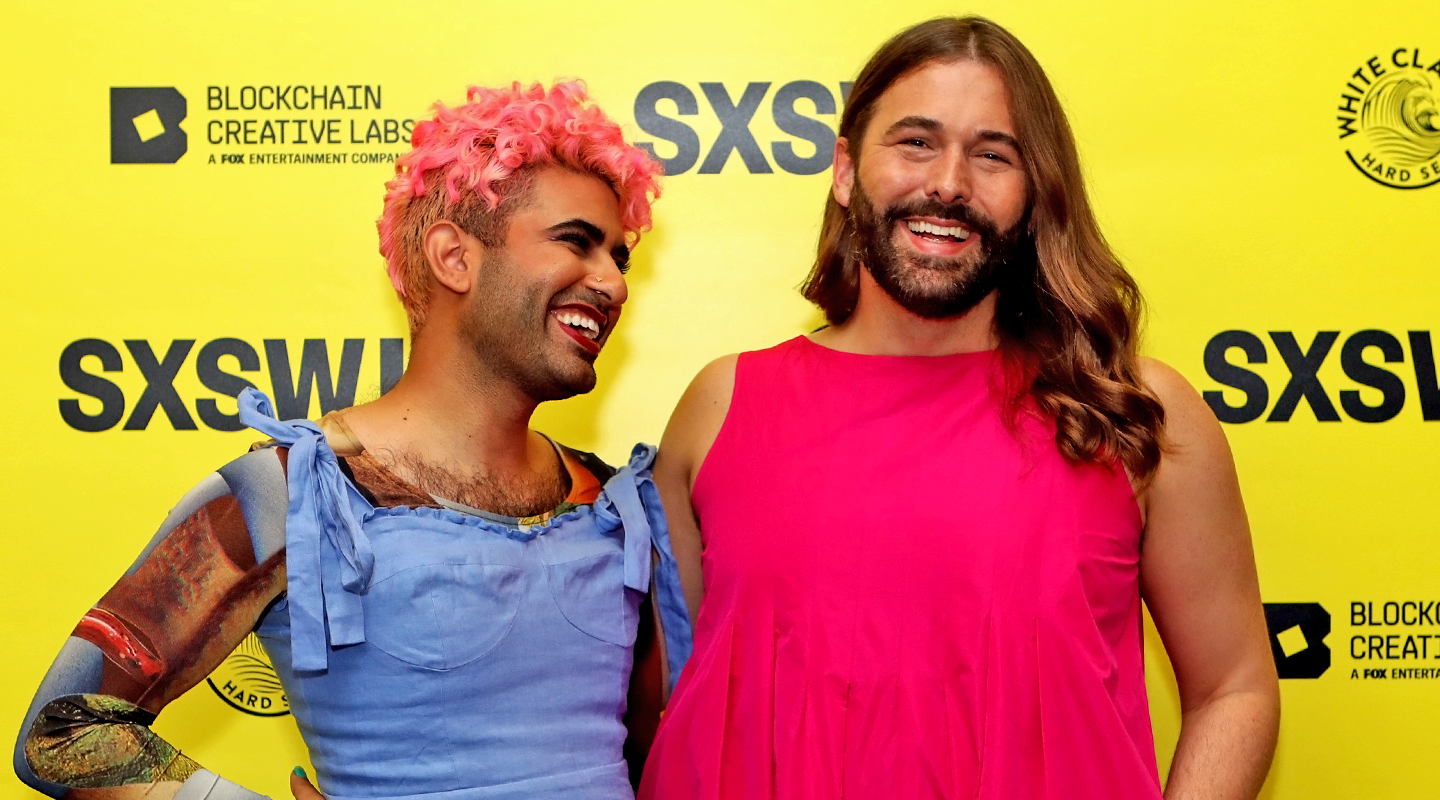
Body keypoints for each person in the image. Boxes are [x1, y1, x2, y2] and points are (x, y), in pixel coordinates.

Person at [640, 17, 1279, 800]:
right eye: (915, 142)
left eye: (992, 154)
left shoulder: (1136, 413)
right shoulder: (720, 406)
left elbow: (1235, 689)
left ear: (1035, 192)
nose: (948, 182)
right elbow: (665, 699)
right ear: (845, 170)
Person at [15, 81, 690, 800]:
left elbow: (669, 752)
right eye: (576, 243)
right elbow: (62, 732)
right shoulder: (297, 491)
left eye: (619, 257)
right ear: (453, 257)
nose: (613, 284)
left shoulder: (614, 504)